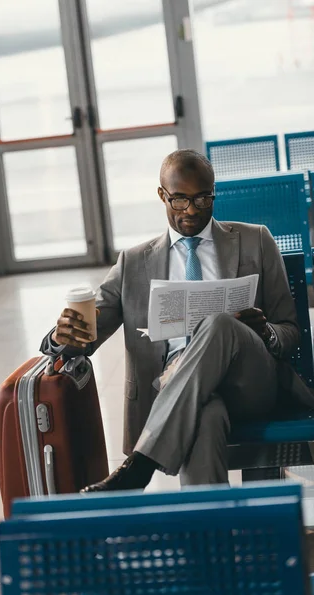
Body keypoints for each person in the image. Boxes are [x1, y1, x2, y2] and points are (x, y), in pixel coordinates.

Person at [40, 149, 314, 493]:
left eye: (203, 199)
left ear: (214, 193)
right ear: (162, 195)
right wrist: (62, 336)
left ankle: (140, 466)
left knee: (220, 324)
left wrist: (266, 333)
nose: (192, 211)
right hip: (179, 390)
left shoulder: (254, 240)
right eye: (180, 200)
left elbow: (290, 332)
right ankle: (213, 538)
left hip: (249, 382)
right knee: (206, 415)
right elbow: (89, 332)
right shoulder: (134, 262)